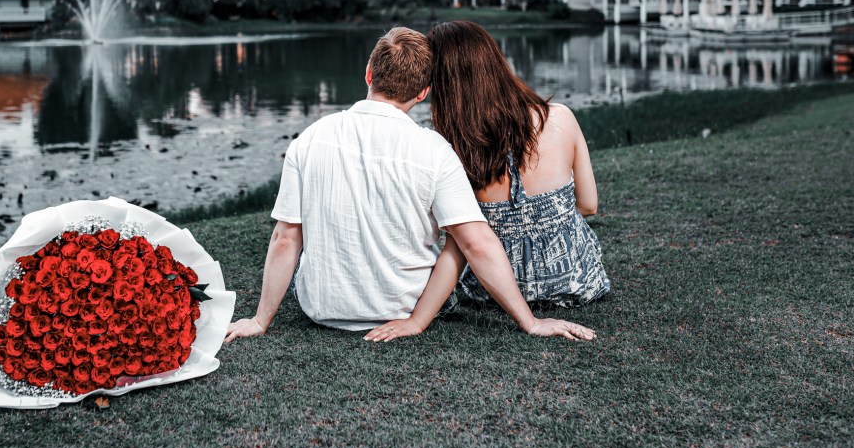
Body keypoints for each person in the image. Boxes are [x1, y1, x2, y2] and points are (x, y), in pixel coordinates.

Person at [225, 27, 595, 344]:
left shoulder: (310, 138)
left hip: (320, 309)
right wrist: (530, 322)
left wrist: (260, 320)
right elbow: (476, 243)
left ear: (369, 73)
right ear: (422, 94)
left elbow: (286, 237)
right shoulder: (435, 150)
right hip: (405, 305)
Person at [417, 20, 610, 313]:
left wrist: (418, 319)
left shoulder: (455, 148)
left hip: (493, 291)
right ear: (495, 62)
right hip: (576, 282)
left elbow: (460, 247)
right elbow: (589, 205)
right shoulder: (559, 118)